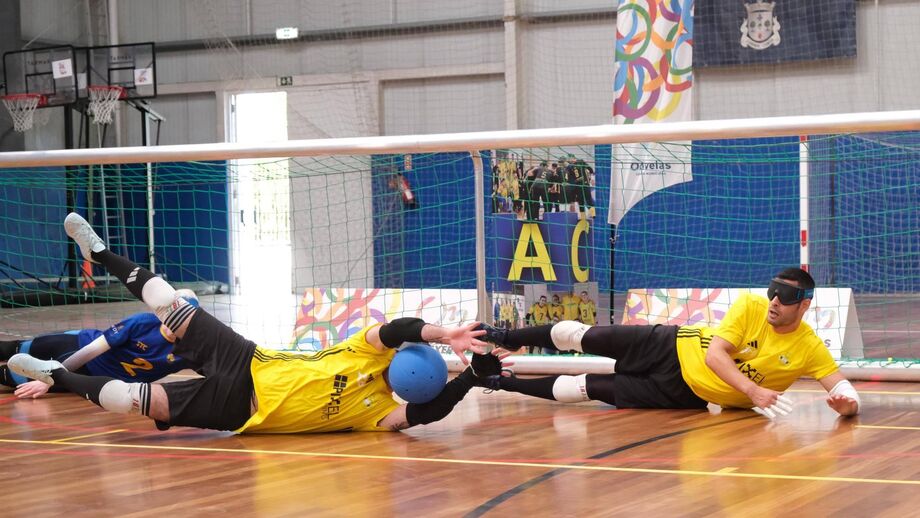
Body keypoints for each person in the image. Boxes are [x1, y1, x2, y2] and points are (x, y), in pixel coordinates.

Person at [8, 213, 507, 433]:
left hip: (239, 411)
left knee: (131, 402)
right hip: (249, 360)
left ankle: (56, 377)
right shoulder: (371, 350)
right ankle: (99, 251)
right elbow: (397, 328)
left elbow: (426, 416)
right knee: (170, 304)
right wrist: (447, 335)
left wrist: (467, 377)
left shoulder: (376, 415)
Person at [475, 268, 861, 418]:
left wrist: (847, 406)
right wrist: (752, 391)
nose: (775, 301)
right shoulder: (750, 306)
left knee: (584, 388)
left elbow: (842, 389)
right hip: (670, 345)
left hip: (684, 393)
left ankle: (497, 381)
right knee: (583, 336)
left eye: (787, 297)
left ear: (805, 305)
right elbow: (715, 355)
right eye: (773, 291)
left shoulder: (809, 347)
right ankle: (503, 336)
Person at [1, 298, 196, 398]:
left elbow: (219, 370)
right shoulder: (142, 323)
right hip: (78, 346)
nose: (176, 323)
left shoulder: (190, 350)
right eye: (174, 315)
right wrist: (49, 379)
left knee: (8, 376)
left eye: (184, 320)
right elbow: (91, 350)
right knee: (15, 349)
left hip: (88, 376)